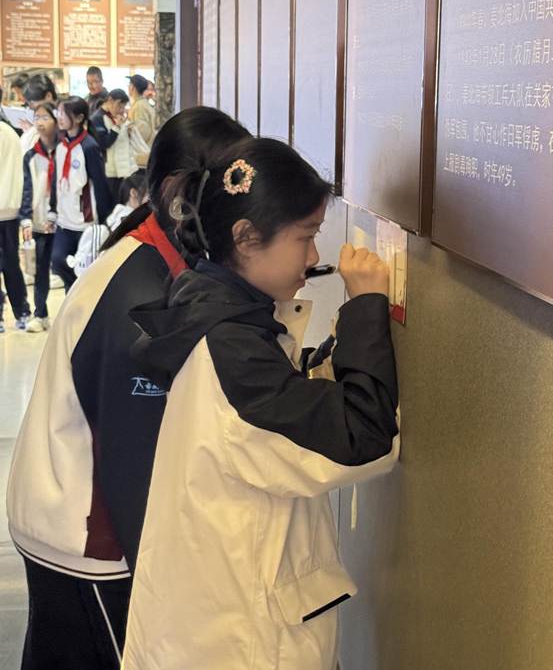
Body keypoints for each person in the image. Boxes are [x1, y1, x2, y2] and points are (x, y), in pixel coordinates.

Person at [121, 137, 400, 670]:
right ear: (247, 238)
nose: (314, 257)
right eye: (306, 237)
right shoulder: (235, 352)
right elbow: (361, 439)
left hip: (207, 627)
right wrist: (366, 306)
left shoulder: (211, 311)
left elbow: (287, 412)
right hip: (238, 644)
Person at [7, 107, 250, 669]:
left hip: (63, 515)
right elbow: (130, 464)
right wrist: (167, 585)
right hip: (90, 537)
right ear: (181, 195)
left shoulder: (154, 253)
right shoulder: (140, 297)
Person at [50, 96, 112, 291]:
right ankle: (74, 292)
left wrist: (105, 219)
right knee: (57, 261)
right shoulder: (61, 145)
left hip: (85, 222)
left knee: (84, 269)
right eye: (58, 112)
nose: (59, 117)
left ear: (79, 118)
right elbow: (56, 181)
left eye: (64, 113)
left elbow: (100, 185)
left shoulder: (89, 146)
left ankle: (78, 298)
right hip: (64, 219)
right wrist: (52, 209)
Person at [20, 102, 60, 333]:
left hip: (65, 219)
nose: (40, 122)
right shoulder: (31, 155)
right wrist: (25, 217)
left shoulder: (65, 150)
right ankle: (40, 313)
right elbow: (26, 187)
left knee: (65, 266)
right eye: (37, 118)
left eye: (45, 117)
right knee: (40, 268)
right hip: (39, 219)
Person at [67, 170, 148, 277]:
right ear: (133, 193)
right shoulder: (129, 221)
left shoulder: (115, 220)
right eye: (148, 196)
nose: (150, 202)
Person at [0, 118, 31, 331]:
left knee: (10, 264)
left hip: (5, 209)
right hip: (10, 208)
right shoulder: (10, 132)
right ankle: (22, 311)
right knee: (12, 264)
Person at [90, 88, 134, 202]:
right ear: (110, 100)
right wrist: (118, 127)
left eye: (123, 107)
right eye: (119, 106)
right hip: (106, 170)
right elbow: (104, 143)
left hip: (117, 170)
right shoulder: (97, 119)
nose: (121, 110)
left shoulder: (111, 117)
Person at [19, 74, 58, 153]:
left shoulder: (64, 114)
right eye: (29, 103)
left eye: (33, 102)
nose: (31, 107)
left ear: (48, 96)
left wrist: (32, 130)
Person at [128, 74, 155, 149]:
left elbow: (143, 131)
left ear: (132, 87)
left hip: (142, 150)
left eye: (129, 85)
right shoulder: (142, 103)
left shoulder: (139, 106)